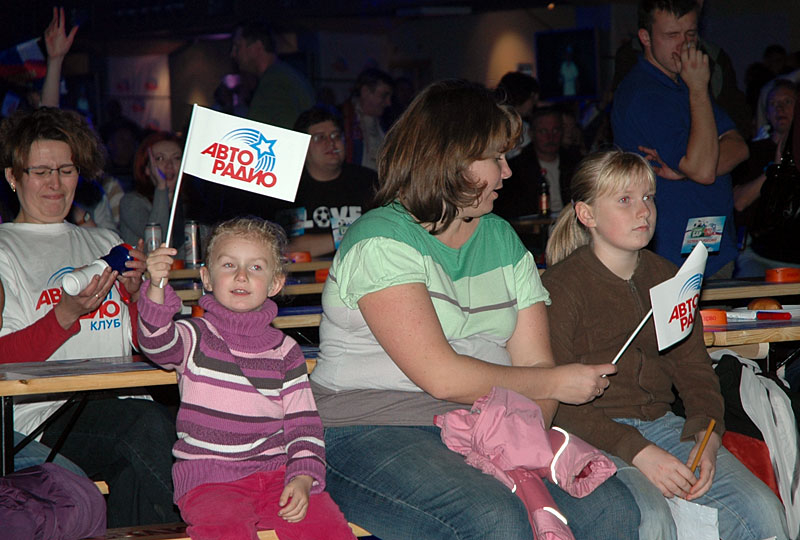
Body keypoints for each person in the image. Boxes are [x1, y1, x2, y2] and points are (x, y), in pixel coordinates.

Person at [310, 79, 640, 540]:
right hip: (369, 426)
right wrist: (553, 384)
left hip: (485, 423)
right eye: (495, 158)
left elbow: (535, 364)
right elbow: (442, 377)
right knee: (494, 519)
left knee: (611, 508)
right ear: (450, 160)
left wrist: (519, 438)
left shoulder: (501, 237)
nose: (507, 172)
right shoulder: (380, 238)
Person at [542, 149, 789, 540]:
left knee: (762, 512)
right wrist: (637, 451)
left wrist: (706, 435)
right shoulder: (560, 288)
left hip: (662, 426)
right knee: (649, 519)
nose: (643, 211)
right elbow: (552, 403)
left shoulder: (669, 278)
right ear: (587, 214)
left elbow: (695, 372)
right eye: (625, 200)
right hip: (591, 435)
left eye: (648, 197)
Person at [0, 106, 179, 527]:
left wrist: (136, 297)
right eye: (40, 171)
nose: (55, 183)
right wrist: (63, 316)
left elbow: (149, 345)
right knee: (148, 428)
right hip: (43, 418)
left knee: (147, 455)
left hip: (124, 405)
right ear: (13, 177)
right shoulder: (5, 249)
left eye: (66, 170)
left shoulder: (104, 241)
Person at [138, 217, 355, 540]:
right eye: (229, 265)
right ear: (206, 278)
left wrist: (303, 476)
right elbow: (155, 341)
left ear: (275, 284)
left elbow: (304, 424)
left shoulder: (286, 351)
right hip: (210, 480)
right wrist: (156, 286)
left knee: (327, 528)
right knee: (227, 530)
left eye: (255, 267)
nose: (241, 275)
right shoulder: (194, 336)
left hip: (276, 474)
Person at [612, 0, 749, 279]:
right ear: (646, 38)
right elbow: (703, 170)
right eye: (672, 35)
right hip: (672, 260)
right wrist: (698, 87)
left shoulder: (684, 84)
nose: (684, 45)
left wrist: (686, 172)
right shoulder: (644, 93)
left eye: (691, 34)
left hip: (713, 250)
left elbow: (738, 147)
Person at [271, 107, 377, 258]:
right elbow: (282, 247)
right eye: (320, 137)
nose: (331, 142)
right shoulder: (285, 186)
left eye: (336, 136)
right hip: (302, 272)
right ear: (302, 146)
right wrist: (350, 235)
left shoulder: (368, 181)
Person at [733, 79, 799, 276]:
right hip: (760, 255)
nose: (779, 108)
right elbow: (739, 202)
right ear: (767, 113)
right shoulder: (752, 151)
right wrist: (776, 169)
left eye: (787, 102)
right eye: (773, 103)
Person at [495, 106, 583, 221]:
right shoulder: (516, 169)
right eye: (543, 131)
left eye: (555, 130)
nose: (550, 137)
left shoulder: (575, 163)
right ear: (531, 134)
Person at [231, 21, 315, 130]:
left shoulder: (274, 82)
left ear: (257, 47)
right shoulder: (283, 76)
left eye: (238, 46)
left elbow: (264, 133)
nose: (233, 54)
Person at [118, 132, 186, 255]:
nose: (169, 165)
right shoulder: (132, 202)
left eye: (176, 158)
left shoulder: (192, 205)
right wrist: (161, 186)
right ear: (147, 168)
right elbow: (157, 240)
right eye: (160, 158)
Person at [339, 68, 393, 171]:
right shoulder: (341, 120)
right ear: (365, 92)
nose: (388, 103)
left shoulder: (388, 122)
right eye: (384, 96)